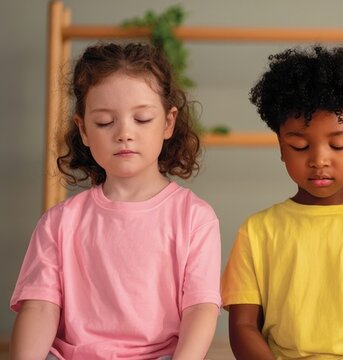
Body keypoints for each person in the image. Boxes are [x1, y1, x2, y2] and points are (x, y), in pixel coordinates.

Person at [10, 42, 220, 359]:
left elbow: (200, 309)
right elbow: (40, 308)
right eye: (105, 122)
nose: (124, 133)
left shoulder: (195, 217)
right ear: (83, 129)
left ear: (168, 123)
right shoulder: (59, 222)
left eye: (142, 119)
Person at [221, 45, 343, 359]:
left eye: (338, 145)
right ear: (281, 147)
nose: (319, 160)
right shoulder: (256, 231)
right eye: (300, 146)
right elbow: (243, 326)